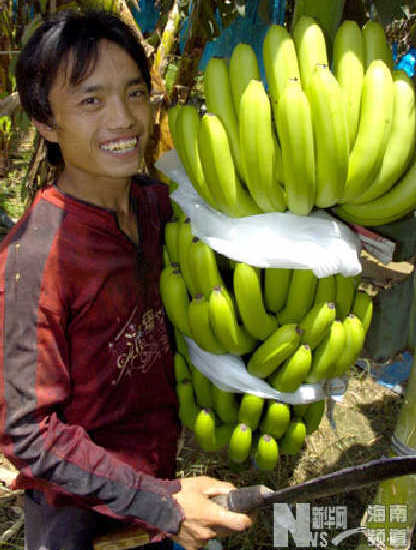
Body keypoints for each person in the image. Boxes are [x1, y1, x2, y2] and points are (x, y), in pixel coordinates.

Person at [0, 9, 253, 550]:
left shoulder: (158, 206)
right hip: (77, 511)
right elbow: (27, 432)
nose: (124, 119)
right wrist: (158, 503)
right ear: (45, 122)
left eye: (135, 93)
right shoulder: (34, 260)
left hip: (159, 480)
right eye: (91, 101)